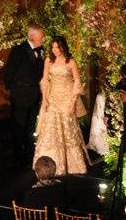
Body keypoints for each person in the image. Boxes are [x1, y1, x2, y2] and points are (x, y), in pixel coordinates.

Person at [33, 36, 89, 175]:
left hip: (67, 99)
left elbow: (77, 82)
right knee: (50, 130)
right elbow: (45, 81)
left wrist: (73, 102)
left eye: (57, 47)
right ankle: (50, 165)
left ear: (63, 47)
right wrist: (45, 100)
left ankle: (71, 165)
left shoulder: (71, 62)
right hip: (52, 98)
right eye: (53, 47)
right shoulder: (48, 60)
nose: (55, 50)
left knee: (68, 131)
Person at [4, 23, 45, 168]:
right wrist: (10, 89)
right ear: (32, 36)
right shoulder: (18, 50)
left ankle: (29, 156)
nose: (43, 39)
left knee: (30, 128)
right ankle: (17, 158)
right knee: (18, 127)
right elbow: (9, 71)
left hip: (34, 95)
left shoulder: (41, 51)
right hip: (20, 95)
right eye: (41, 36)